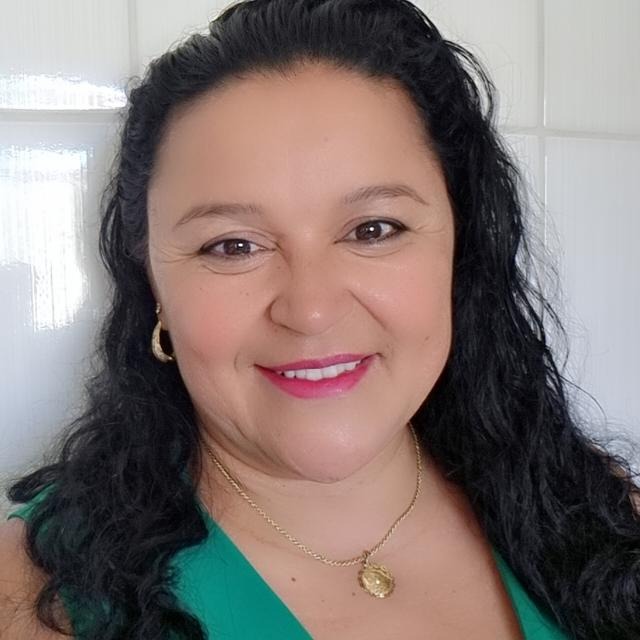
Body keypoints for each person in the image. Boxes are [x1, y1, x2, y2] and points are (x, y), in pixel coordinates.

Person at [1, 0, 639, 638]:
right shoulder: (32, 598)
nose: (310, 310)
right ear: (154, 284)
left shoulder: (601, 523)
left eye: (373, 229)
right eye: (233, 245)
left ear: (460, 249)